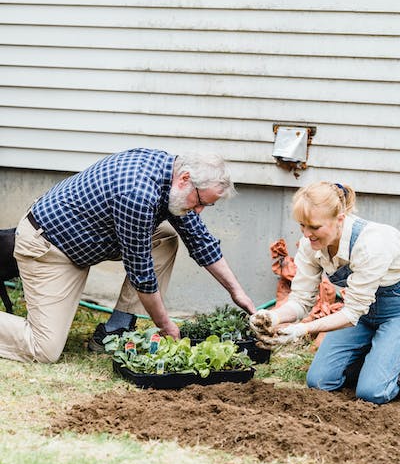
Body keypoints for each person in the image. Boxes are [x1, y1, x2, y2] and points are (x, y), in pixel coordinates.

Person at [0, 148, 255, 363]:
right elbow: (141, 273)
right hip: (49, 249)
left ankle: (116, 329)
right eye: (200, 202)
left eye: (205, 205)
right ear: (185, 179)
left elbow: (200, 240)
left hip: (81, 245)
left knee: (165, 239)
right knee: (43, 349)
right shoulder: (138, 193)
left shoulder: (172, 177)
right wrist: (166, 326)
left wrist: (237, 292)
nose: (199, 211)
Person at [250, 181, 400, 404]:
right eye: (302, 225)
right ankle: (379, 359)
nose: (307, 234)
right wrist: (273, 317)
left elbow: (351, 313)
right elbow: (300, 299)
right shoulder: (311, 245)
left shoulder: (372, 243)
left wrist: (303, 329)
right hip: (364, 312)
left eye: (314, 227)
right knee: (319, 381)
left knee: (372, 392)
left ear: (340, 219)